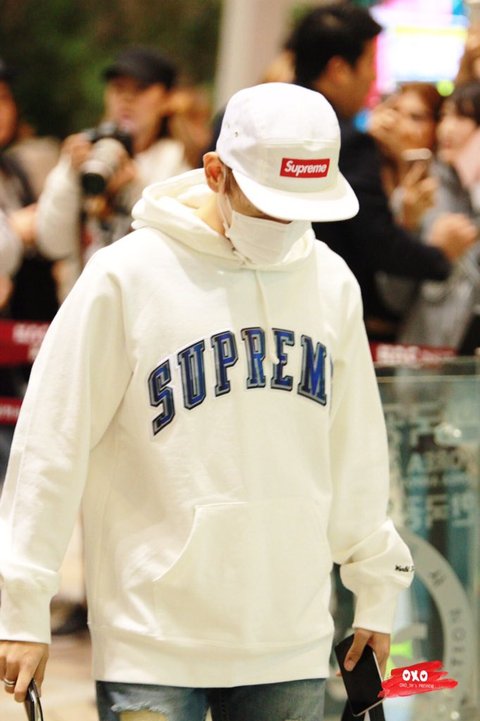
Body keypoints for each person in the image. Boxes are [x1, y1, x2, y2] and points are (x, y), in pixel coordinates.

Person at [0, 82, 414, 721]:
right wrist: (22, 609)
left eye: (299, 209)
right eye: (269, 205)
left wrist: (376, 592)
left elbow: (355, 451)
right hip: (152, 641)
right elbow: (52, 442)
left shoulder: (331, 281)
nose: (282, 226)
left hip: (290, 639)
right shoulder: (127, 275)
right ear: (217, 173)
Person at [290, 1, 477, 342]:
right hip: (333, 322)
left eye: (419, 116)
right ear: (339, 69)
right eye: (370, 64)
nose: (374, 78)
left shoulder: (253, 120)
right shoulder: (350, 143)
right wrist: (438, 253)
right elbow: (379, 245)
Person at [36, 46, 192, 296]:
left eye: (140, 89)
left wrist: (132, 191)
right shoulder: (84, 152)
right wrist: (71, 177)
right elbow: (52, 243)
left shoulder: (178, 167)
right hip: (83, 302)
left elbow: (169, 253)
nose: (127, 99)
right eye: (118, 88)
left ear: (167, 100)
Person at [399, 81, 480, 350]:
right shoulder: (421, 191)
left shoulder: (474, 195)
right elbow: (393, 297)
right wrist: (420, 243)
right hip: (424, 359)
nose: (447, 128)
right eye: (444, 116)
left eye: (462, 118)